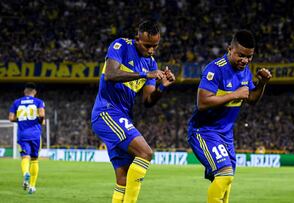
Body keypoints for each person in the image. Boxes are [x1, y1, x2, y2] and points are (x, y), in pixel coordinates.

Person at [91, 20, 175, 203]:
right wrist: (145, 75)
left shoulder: (151, 64)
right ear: (138, 38)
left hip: (122, 115)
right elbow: (111, 74)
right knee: (145, 153)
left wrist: (162, 88)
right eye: (147, 45)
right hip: (106, 111)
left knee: (123, 178)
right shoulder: (120, 45)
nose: (151, 50)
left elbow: (148, 101)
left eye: (155, 46)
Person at [187, 30, 272, 203]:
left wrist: (262, 83)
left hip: (226, 135)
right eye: (241, 55)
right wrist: (234, 94)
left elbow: (251, 99)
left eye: (249, 57)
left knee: (226, 181)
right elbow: (202, 103)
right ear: (229, 49)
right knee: (224, 174)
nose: (245, 60)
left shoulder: (245, 71)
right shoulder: (215, 69)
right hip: (204, 131)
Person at [8, 82, 45, 194]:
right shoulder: (39, 102)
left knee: (25, 157)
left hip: (22, 134)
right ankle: (32, 186)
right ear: (35, 92)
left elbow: (10, 118)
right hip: (35, 134)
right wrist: (40, 121)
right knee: (34, 160)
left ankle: (25, 173)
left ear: (25, 91)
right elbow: (42, 114)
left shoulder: (17, 102)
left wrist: (20, 120)